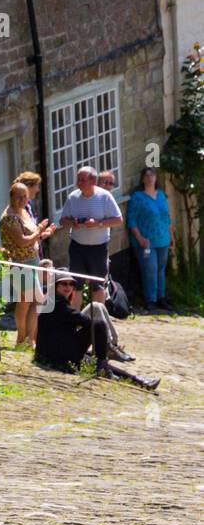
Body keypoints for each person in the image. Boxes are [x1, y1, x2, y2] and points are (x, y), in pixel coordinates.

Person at [35, 269, 158, 390]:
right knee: (98, 325)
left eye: (71, 284)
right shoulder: (57, 304)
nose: (68, 287)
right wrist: (100, 340)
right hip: (57, 358)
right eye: (64, 284)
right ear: (56, 285)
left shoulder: (53, 301)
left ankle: (139, 380)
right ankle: (106, 363)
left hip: (57, 351)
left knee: (97, 361)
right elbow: (83, 320)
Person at [0, 182, 54, 347]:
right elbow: (22, 242)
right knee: (26, 300)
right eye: (19, 197)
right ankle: (21, 339)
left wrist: (44, 233)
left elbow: (32, 237)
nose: (22, 200)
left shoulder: (23, 212)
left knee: (35, 300)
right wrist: (39, 231)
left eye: (25, 197)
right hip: (19, 263)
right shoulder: (9, 217)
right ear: (11, 197)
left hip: (33, 260)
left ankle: (31, 339)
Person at [59, 166, 122, 306]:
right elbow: (62, 221)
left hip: (98, 248)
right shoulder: (73, 197)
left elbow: (118, 219)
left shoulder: (104, 196)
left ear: (93, 181)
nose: (78, 183)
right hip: (77, 247)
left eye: (82, 180)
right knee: (76, 284)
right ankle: (76, 319)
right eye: (78, 180)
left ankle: (97, 320)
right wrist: (73, 222)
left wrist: (98, 224)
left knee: (97, 285)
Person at [127, 166, 174, 313]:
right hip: (146, 242)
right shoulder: (137, 197)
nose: (150, 178)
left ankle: (161, 297)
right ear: (142, 179)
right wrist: (139, 238)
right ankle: (150, 300)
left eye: (152, 175)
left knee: (160, 269)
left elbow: (167, 217)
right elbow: (131, 220)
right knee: (150, 270)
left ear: (156, 178)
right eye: (146, 176)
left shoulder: (161, 195)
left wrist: (171, 236)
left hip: (163, 239)